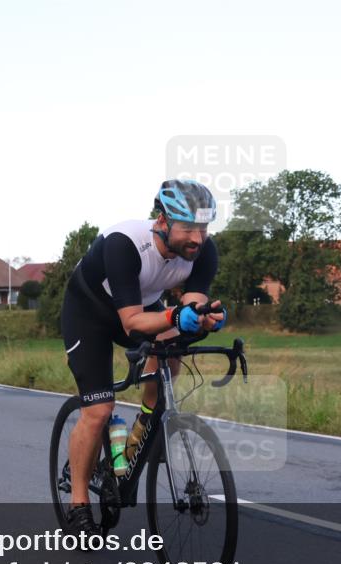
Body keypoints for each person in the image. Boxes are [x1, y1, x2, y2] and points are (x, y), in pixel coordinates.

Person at [60, 179, 227, 537]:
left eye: (203, 228)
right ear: (162, 221)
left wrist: (205, 317)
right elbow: (133, 321)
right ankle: (77, 505)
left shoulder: (204, 252)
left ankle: (143, 430)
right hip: (89, 313)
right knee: (99, 409)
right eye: (188, 228)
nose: (197, 239)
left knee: (173, 342)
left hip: (140, 306)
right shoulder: (124, 244)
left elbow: (189, 308)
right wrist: (174, 317)